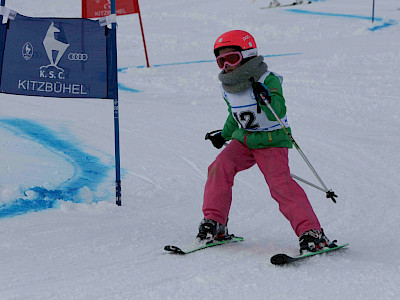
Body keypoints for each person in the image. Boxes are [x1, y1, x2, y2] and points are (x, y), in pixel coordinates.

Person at [198, 30, 335, 254]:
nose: (226, 66)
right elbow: (235, 115)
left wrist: (267, 97)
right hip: (244, 141)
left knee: (280, 185)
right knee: (218, 167)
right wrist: (223, 135)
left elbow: (278, 112)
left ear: (249, 55)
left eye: (232, 58)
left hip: (272, 140)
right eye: (220, 61)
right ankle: (215, 224)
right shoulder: (228, 87)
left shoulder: (267, 80)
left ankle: (312, 233)